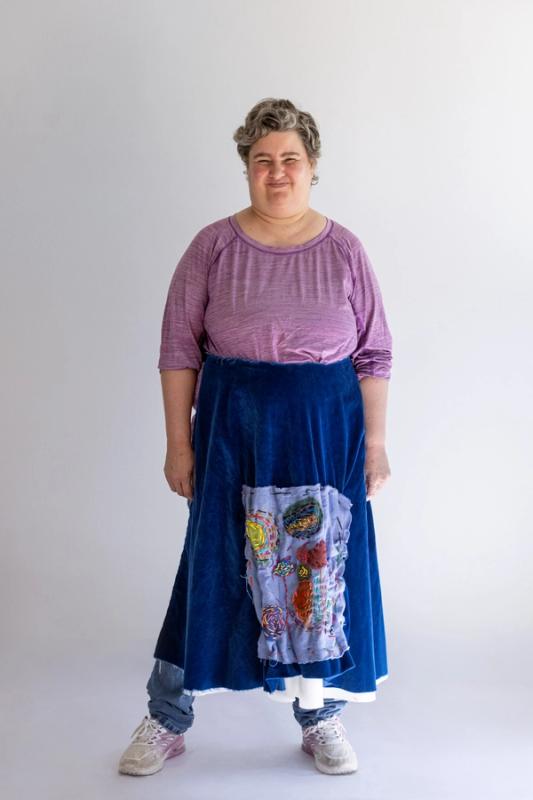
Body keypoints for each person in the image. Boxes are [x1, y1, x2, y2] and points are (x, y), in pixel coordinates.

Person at [118, 97, 393, 778]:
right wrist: (177, 444)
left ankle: (319, 716)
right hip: (230, 432)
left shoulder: (344, 249)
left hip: (323, 435)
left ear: (312, 167)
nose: (277, 173)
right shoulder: (212, 246)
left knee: (315, 572)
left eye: (290, 160)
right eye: (262, 161)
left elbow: (374, 355)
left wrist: (376, 443)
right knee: (214, 564)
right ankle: (167, 716)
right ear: (246, 167)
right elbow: (178, 350)